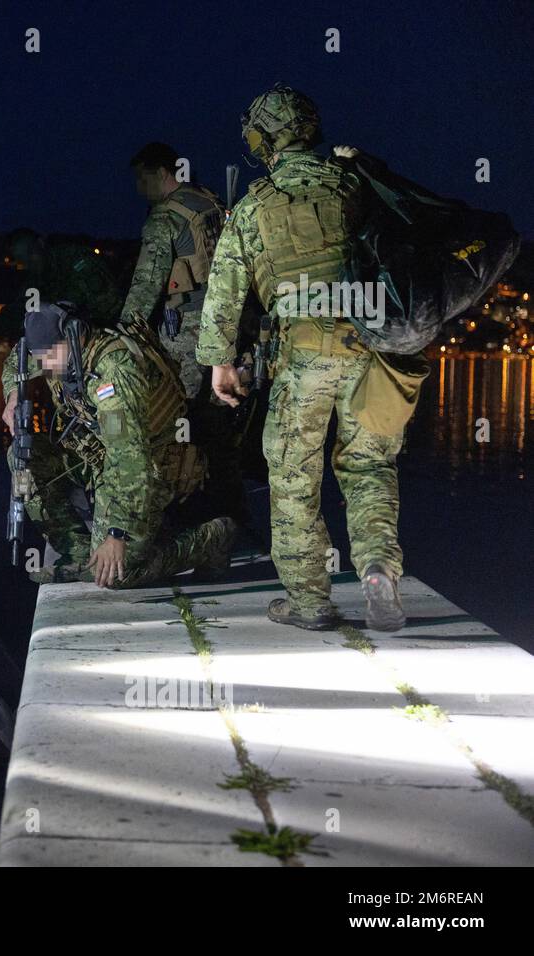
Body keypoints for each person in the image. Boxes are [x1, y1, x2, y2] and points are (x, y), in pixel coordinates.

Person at [196, 83, 407, 632]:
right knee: (368, 467)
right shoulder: (357, 185)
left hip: (303, 354)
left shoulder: (252, 208)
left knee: (293, 477)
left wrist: (219, 363)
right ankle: (379, 569)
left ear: (262, 140)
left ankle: (310, 602)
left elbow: (223, 293)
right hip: (373, 349)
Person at [1, 305, 235, 587]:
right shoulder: (56, 349)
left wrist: (117, 534)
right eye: (41, 359)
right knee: (22, 457)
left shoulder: (113, 374)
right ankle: (77, 553)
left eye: (51, 357)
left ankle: (213, 538)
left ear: (74, 335)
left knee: (119, 575)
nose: (46, 367)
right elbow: (19, 358)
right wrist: (14, 396)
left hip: (149, 466)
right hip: (97, 456)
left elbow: (129, 457)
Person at [119, 142, 245, 524]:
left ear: (160, 174)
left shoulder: (165, 216)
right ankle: (231, 509)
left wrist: (123, 337)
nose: (139, 189)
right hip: (229, 326)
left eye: (142, 179)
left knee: (180, 419)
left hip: (187, 331)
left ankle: (190, 514)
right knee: (221, 423)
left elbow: (146, 284)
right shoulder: (208, 202)